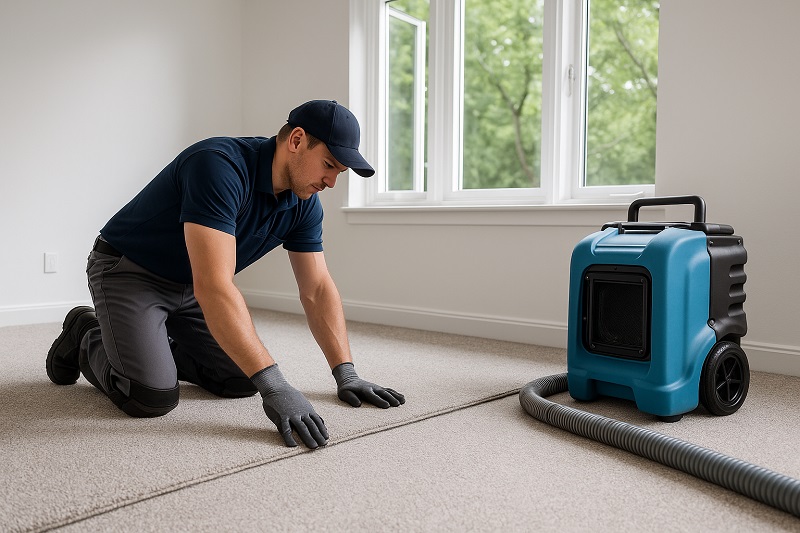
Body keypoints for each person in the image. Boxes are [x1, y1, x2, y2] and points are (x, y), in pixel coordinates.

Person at [46, 100, 404, 449]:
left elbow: (317, 288)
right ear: (296, 141)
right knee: (149, 397)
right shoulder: (218, 166)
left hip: (191, 285)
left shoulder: (303, 203)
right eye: (328, 165)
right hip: (130, 272)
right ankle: (85, 333)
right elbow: (215, 285)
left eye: (339, 172)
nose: (330, 182)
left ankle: (150, 342)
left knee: (238, 379)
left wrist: (346, 373)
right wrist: (276, 385)